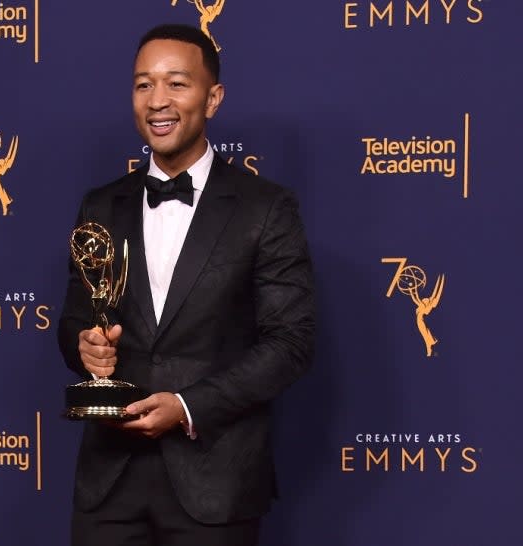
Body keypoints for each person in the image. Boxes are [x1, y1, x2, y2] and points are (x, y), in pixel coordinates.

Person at [57, 23, 315, 546]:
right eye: (142, 84)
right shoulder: (101, 205)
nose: (158, 101)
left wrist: (188, 404)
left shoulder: (265, 208)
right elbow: (75, 322)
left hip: (214, 482)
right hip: (109, 484)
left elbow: (291, 342)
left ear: (212, 98)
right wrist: (84, 346)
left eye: (177, 83)